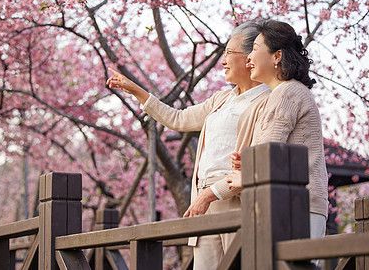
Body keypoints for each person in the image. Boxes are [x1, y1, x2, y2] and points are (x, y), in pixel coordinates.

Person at [106, 22, 271, 269]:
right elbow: (178, 118)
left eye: (229, 53)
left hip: (235, 199)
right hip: (202, 201)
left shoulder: (267, 99)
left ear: (251, 58)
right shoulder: (222, 98)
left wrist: (211, 194)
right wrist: (136, 91)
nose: (223, 60)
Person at [226, 19, 329, 242]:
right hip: (297, 204)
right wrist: (247, 163)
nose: (249, 58)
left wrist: (245, 174)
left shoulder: (286, 93)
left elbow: (268, 153)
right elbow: (275, 154)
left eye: (254, 49)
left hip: (296, 207)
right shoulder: (285, 93)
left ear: (277, 56)